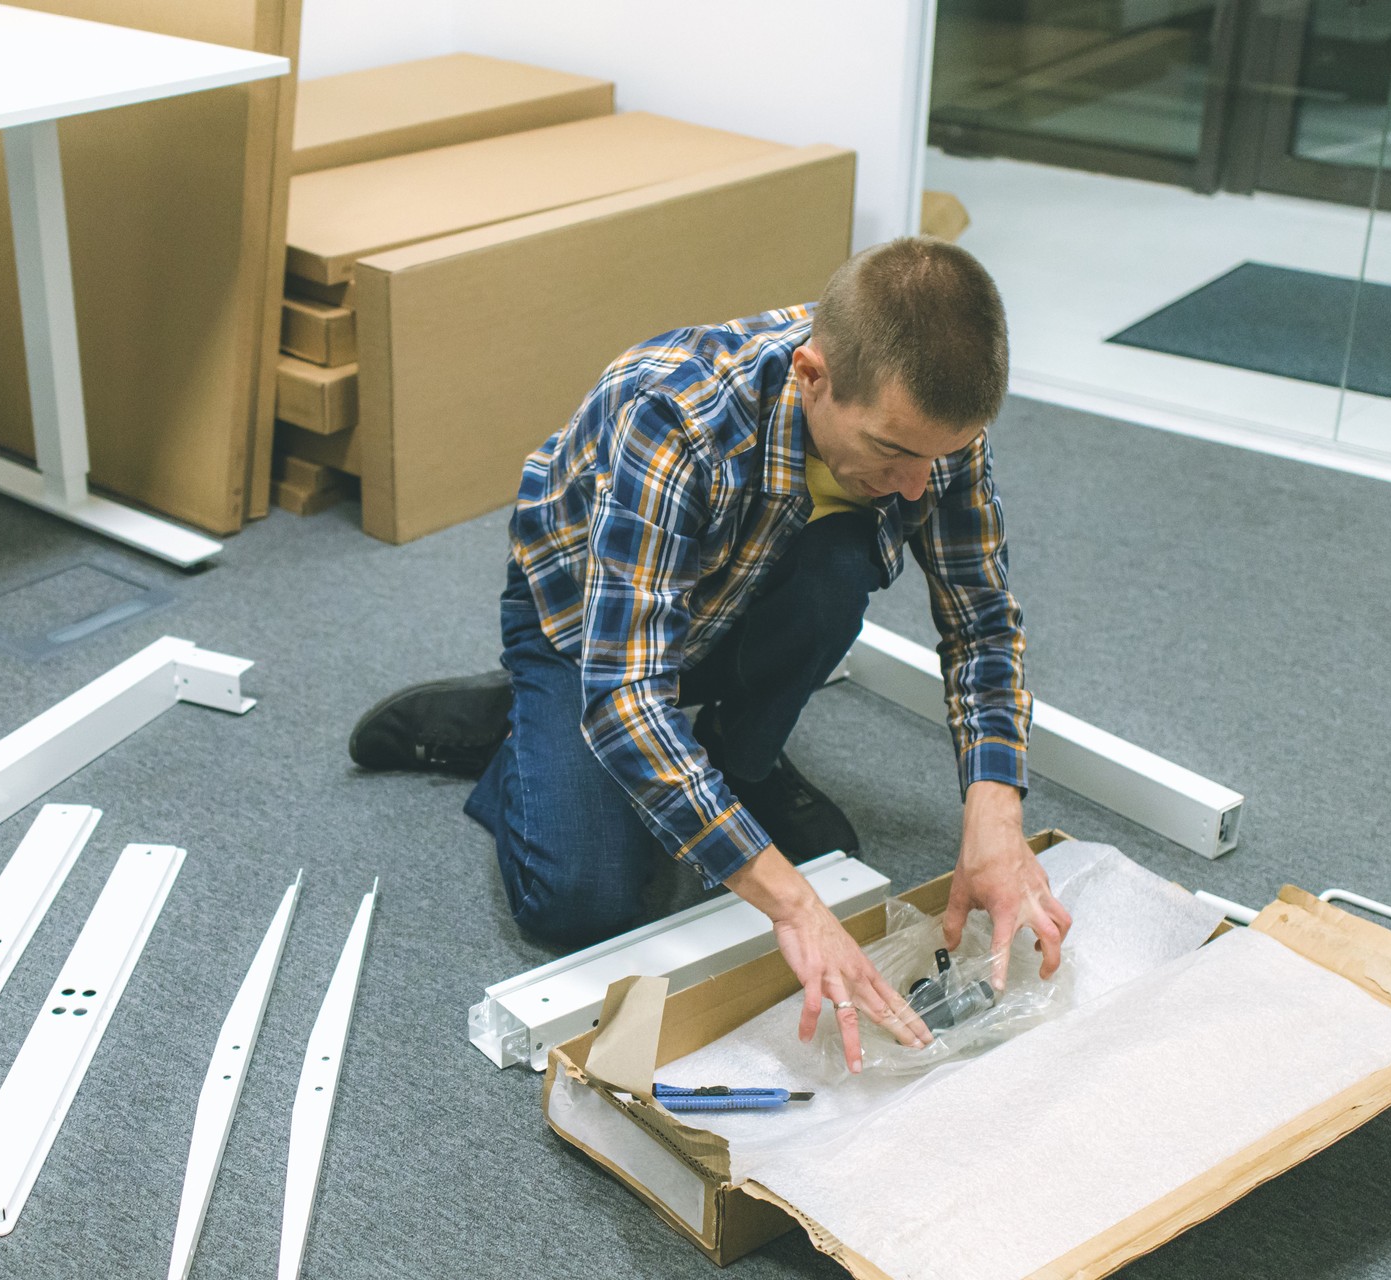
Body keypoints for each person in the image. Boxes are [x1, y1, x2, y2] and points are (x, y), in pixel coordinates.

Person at [349, 237, 1071, 1072]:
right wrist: (795, 907)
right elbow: (626, 696)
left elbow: (981, 621)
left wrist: (994, 822)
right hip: (590, 631)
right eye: (894, 454)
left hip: (738, 596)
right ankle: (519, 718)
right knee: (585, 906)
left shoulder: (929, 431)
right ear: (812, 377)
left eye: (938, 460)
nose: (919, 486)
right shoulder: (676, 413)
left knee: (840, 565)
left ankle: (738, 754)